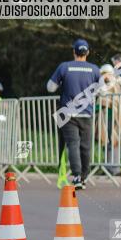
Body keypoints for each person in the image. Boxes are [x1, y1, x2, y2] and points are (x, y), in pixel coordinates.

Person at [47, 39, 101, 190]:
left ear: (74, 52)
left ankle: (76, 176)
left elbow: (50, 88)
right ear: (87, 53)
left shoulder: (65, 67)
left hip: (68, 113)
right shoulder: (94, 69)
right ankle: (83, 177)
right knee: (85, 147)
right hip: (87, 113)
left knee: (73, 145)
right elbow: (102, 90)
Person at [94, 64, 121, 176]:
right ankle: (109, 167)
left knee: (112, 142)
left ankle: (113, 168)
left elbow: (102, 100)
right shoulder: (116, 81)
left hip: (109, 114)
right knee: (111, 142)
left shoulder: (108, 82)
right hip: (116, 115)